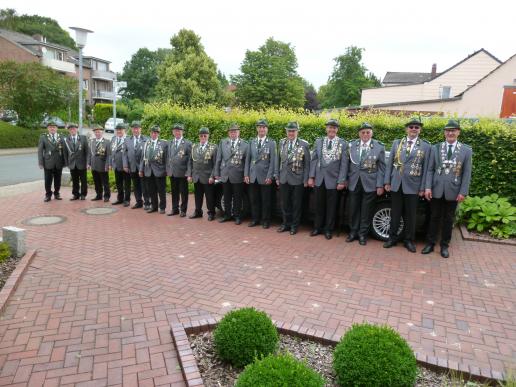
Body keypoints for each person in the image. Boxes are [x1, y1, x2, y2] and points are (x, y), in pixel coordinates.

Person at [421, 119, 472, 258]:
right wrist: (427, 187)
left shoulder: (466, 150)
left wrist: (463, 191)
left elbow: (467, 173)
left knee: (448, 219)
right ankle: (430, 244)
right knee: (434, 217)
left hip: (454, 190)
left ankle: (444, 246)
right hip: (436, 189)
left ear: (458, 132)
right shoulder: (435, 148)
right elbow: (430, 170)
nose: (450, 133)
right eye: (448, 130)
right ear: (444, 132)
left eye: (453, 130)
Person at [384, 118, 431, 252]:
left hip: (413, 186)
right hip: (396, 184)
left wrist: (422, 187)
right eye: (411, 127)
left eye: (416, 127)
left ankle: (409, 241)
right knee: (395, 214)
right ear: (406, 129)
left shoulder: (426, 146)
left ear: (420, 130)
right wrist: (387, 181)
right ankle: (392, 238)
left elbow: (426, 169)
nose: (413, 129)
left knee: (411, 215)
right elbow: (389, 165)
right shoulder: (397, 143)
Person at [343, 123, 386, 245]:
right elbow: (346, 165)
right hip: (354, 182)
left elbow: (382, 168)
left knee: (366, 211)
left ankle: (362, 235)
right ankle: (353, 232)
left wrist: (379, 185)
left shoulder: (379, 147)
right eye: (363, 132)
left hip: (370, 183)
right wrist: (344, 180)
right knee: (353, 209)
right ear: (359, 134)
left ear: (371, 133)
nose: (365, 134)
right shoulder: (351, 145)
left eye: (368, 132)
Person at [308, 119, 347, 239]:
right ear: (326, 129)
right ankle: (317, 228)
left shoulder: (343, 143)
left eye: (334, 128)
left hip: (334, 181)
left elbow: (344, 164)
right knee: (318, 205)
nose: (332, 130)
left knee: (332, 207)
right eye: (330, 127)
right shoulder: (319, 141)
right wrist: (311, 177)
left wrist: (341, 180)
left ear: (337, 130)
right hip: (320, 179)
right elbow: (314, 160)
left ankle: (328, 230)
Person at [276, 121, 310, 235]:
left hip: (298, 179)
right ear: (286, 131)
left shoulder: (304, 144)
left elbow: (307, 164)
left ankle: (294, 226)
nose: (291, 133)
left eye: (293, 131)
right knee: (285, 203)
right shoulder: (281, 142)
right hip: (284, 178)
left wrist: (305, 180)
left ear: (297, 132)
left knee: (296, 204)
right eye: (289, 131)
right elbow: (278, 161)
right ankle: (286, 224)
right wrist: (277, 176)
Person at [244, 119, 277, 229]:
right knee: (254, 199)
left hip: (265, 176)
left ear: (267, 129)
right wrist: (246, 174)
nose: (262, 129)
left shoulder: (271, 143)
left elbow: (273, 161)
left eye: (264, 127)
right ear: (257, 129)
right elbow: (248, 159)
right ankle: (255, 219)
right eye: (260, 127)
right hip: (253, 176)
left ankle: (266, 220)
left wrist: (270, 176)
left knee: (266, 200)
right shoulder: (251, 142)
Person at [215, 123, 248, 225]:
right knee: (227, 196)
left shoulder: (245, 144)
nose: (233, 133)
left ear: (239, 132)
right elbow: (219, 158)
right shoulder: (223, 142)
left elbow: (246, 161)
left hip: (238, 174)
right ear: (229, 133)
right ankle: (227, 215)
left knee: (238, 197)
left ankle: (237, 216)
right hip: (225, 175)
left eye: (235, 131)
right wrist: (217, 172)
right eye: (231, 132)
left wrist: (245, 174)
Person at [187, 127, 218, 221]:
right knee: (197, 196)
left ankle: (211, 213)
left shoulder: (213, 147)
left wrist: (212, 176)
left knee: (209, 197)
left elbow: (215, 164)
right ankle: (198, 212)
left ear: (208, 136)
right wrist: (189, 174)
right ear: (199, 136)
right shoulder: (194, 147)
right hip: (197, 176)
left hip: (208, 177)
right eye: (201, 136)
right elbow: (190, 162)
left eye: (205, 135)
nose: (203, 137)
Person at [139, 125, 168, 214]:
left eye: (156, 133)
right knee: (151, 190)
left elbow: (167, 158)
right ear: (150, 133)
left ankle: (162, 207)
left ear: (158, 134)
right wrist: (141, 169)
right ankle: (154, 206)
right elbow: (142, 158)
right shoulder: (146, 143)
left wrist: (167, 170)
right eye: (152, 132)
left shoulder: (164, 143)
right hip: (148, 170)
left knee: (161, 190)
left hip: (160, 171)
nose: (154, 134)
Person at [167, 123, 192, 217]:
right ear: (173, 132)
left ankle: (183, 210)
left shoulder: (188, 143)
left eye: (179, 131)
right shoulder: (170, 142)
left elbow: (190, 160)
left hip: (182, 173)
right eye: (175, 131)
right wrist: (168, 170)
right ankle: (175, 209)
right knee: (174, 192)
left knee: (184, 193)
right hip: (172, 172)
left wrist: (188, 173)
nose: (177, 132)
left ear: (182, 132)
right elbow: (167, 157)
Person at [124, 121, 149, 209]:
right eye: (134, 128)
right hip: (132, 167)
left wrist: (142, 168)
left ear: (140, 129)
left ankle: (147, 203)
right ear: (131, 129)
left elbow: (147, 155)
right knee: (136, 186)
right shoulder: (127, 140)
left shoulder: (146, 139)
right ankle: (139, 202)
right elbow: (125, 154)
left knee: (144, 186)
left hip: (143, 168)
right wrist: (125, 165)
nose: (135, 130)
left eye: (137, 128)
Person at [38, 120, 65, 202]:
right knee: (48, 180)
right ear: (47, 128)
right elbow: (40, 151)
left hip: (58, 161)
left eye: (54, 127)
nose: (52, 128)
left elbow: (64, 150)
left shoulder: (62, 136)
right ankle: (48, 194)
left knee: (58, 179)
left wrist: (65, 161)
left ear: (57, 128)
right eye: (50, 127)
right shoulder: (43, 137)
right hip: (48, 162)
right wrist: (40, 163)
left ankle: (57, 193)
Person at [63, 122, 88, 200]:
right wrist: (67, 163)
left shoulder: (83, 138)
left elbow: (87, 151)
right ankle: (76, 194)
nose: (72, 130)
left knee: (83, 180)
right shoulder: (66, 139)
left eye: (74, 129)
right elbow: (65, 152)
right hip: (72, 164)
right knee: (74, 180)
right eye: (70, 129)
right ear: (69, 131)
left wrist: (88, 163)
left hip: (82, 163)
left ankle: (83, 194)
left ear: (77, 129)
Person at [87, 125, 111, 202]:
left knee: (105, 182)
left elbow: (108, 155)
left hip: (103, 165)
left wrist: (107, 165)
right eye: (96, 132)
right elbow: (89, 154)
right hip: (94, 165)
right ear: (94, 133)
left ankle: (106, 196)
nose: (97, 133)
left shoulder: (107, 142)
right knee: (96, 182)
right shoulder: (92, 141)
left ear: (102, 132)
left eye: (99, 132)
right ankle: (98, 195)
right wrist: (88, 163)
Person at [110, 123, 131, 207]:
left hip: (126, 166)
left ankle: (127, 200)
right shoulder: (114, 138)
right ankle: (120, 198)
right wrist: (111, 164)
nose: (119, 131)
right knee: (118, 183)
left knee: (127, 184)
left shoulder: (129, 139)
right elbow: (111, 152)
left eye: (120, 130)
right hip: (116, 165)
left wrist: (127, 165)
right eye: (117, 130)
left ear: (124, 130)